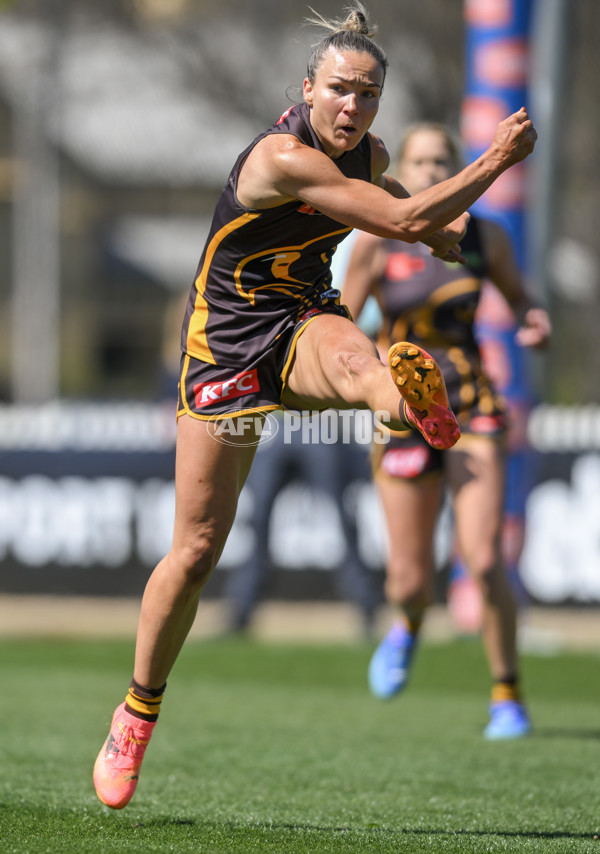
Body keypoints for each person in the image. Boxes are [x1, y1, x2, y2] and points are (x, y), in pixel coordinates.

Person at [93, 3, 538, 809]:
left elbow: (394, 195)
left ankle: (402, 401)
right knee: (195, 551)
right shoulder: (280, 158)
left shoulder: (367, 153)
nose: (352, 107)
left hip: (300, 321)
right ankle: (136, 711)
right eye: (339, 89)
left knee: (357, 359)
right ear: (307, 88)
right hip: (223, 354)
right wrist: (495, 161)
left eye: (368, 94)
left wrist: (440, 235)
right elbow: (398, 215)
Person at [341, 121, 550, 738]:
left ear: (457, 169)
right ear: (401, 169)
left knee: (484, 559)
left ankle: (507, 695)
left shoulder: (485, 237)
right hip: (404, 411)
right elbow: (343, 319)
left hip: (472, 405)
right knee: (408, 580)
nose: (432, 172)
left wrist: (534, 323)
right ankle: (407, 623)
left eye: (442, 162)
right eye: (421, 162)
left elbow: (520, 301)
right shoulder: (377, 241)